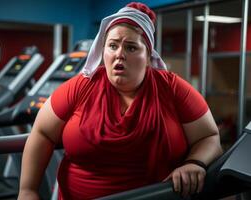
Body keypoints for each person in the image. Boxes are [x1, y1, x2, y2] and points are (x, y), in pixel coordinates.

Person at [18, 2, 223, 200]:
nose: (119, 55)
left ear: (148, 55)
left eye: (131, 48)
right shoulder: (81, 86)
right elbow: (42, 133)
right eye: (112, 46)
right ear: (103, 49)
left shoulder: (172, 88)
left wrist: (194, 163)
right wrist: (28, 190)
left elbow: (209, 137)